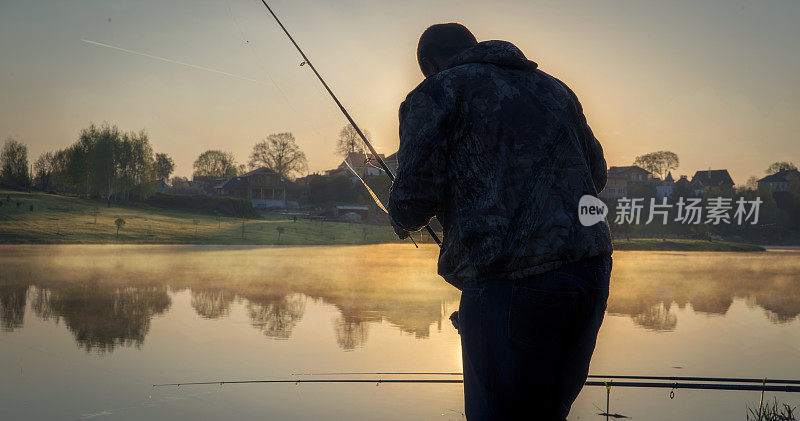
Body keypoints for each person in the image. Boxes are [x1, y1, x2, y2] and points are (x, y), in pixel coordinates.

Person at [387, 23, 613, 420]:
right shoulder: (555, 89)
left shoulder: (438, 90)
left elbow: (413, 198)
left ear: (428, 63)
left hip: (510, 279)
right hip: (589, 271)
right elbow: (596, 174)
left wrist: (400, 215)